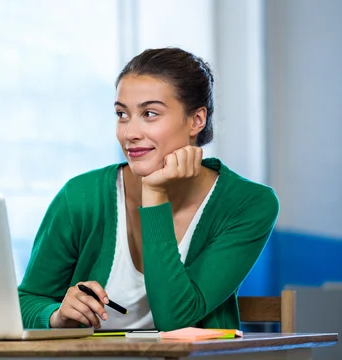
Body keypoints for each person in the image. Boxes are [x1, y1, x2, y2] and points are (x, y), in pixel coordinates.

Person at [17, 47, 279, 332]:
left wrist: (154, 194)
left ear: (196, 120)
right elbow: (26, 300)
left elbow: (176, 318)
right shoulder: (81, 196)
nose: (130, 133)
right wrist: (56, 315)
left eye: (150, 113)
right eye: (122, 114)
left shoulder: (248, 204)